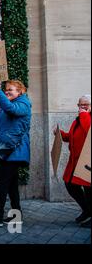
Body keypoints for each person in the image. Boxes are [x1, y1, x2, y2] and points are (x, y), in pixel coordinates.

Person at [0, 79, 32, 228]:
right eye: (6, 90)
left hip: (13, 152)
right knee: (11, 185)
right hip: (9, 151)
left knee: (2, 183)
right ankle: (16, 216)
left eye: (11, 90)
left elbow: (11, 109)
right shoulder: (14, 103)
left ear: (20, 92)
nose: (7, 92)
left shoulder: (23, 104)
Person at [56, 95, 91, 227]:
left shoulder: (85, 118)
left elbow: (89, 130)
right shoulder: (78, 120)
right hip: (75, 160)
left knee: (89, 190)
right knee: (70, 184)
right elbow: (72, 137)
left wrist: (84, 115)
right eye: (80, 105)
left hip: (87, 162)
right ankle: (87, 210)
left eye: (85, 104)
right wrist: (61, 134)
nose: (82, 107)